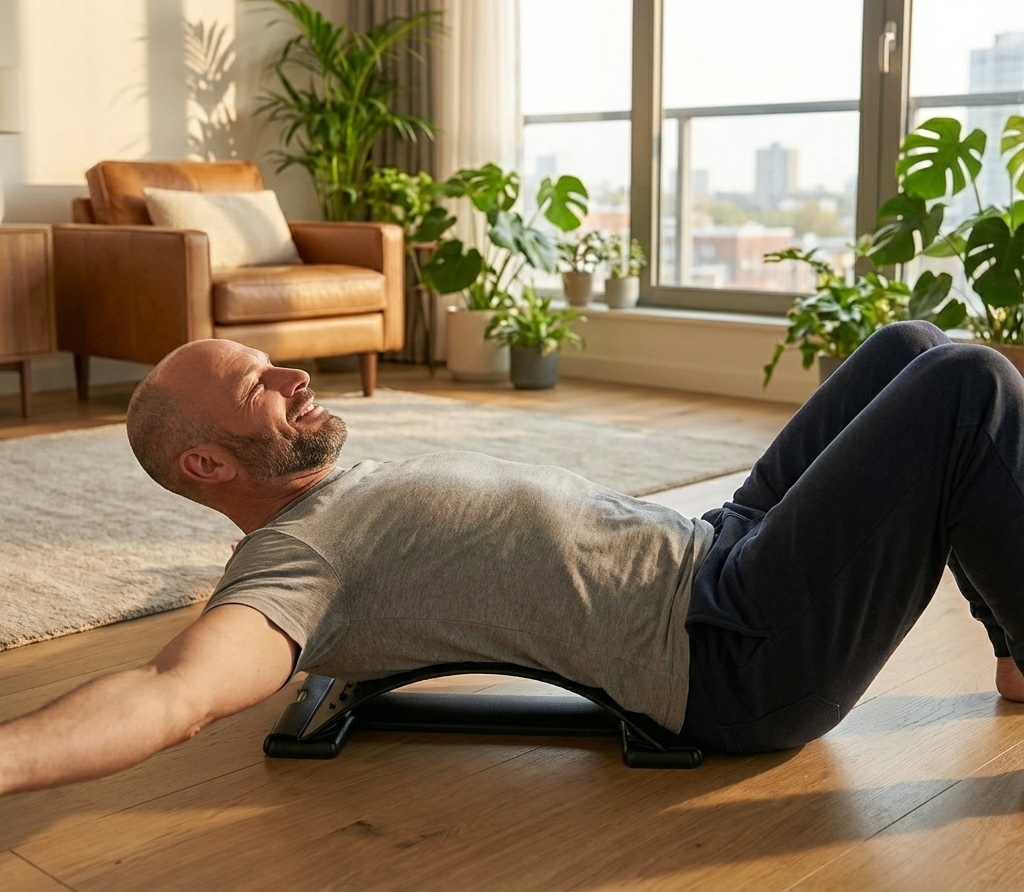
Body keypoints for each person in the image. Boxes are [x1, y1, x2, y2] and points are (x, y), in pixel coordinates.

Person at [0, 322, 1020, 795]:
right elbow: (174, 693)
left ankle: (1013, 645)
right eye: (258, 385)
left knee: (910, 347)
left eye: (275, 363)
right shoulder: (296, 559)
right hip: (732, 646)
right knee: (968, 385)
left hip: (716, 544)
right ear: (207, 462)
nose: (296, 375)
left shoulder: (331, 500)